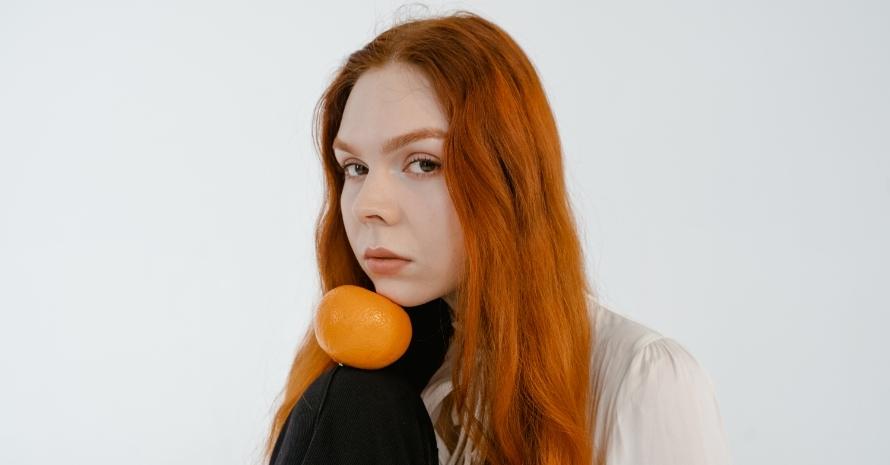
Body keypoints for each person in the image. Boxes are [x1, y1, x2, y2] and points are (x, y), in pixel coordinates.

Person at [263, 9, 732, 465]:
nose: (369, 205)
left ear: (508, 177)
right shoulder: (365, 393)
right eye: (355, 168)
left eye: (424, 163)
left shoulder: (644, 381)